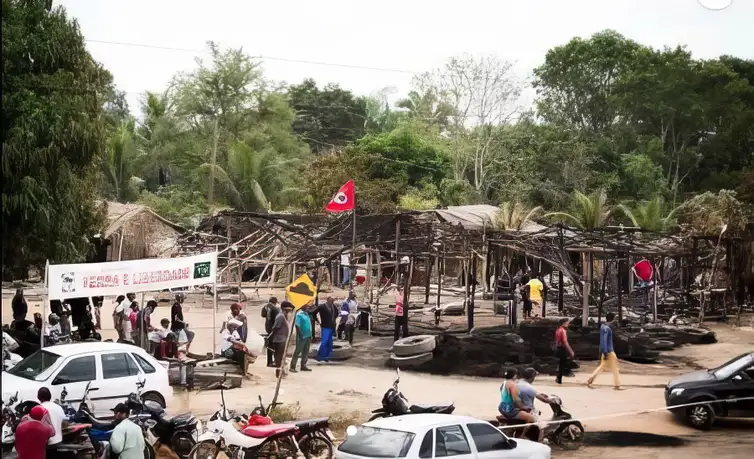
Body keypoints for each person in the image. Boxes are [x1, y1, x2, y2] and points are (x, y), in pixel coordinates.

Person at [586, 312, 623, 390]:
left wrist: (602, 351)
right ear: (612, 319)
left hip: (605, 350)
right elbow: (605, 340)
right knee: (615, 368)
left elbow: (602, 340)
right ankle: (617, 384)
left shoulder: (603, 327)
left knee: (601, 367)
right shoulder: (607, 329)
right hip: (609, 351)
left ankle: (590, 379)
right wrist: (606, 352)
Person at [516, 368, 551, 441]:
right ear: (532, 376)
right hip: (528, 411)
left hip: (515, 410)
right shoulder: (529, 387)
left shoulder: (518, 383)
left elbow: (533, 393)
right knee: (542, 426)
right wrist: (551, 400)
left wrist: (539, 394)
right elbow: (544, 400)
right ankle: (540, 442)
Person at [271, 301, 294, 377]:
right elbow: (275, 327)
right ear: (285, 309)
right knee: (279, 356)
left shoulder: (284, 316)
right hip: (279, 339)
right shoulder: (280, 316)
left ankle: (281, 370)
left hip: (282, 338)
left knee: (281, 356)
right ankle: (278, 372)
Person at [290, 305, 313, 373]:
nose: (308, 307)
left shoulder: (306, 314)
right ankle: (292, 367)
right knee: (297, 351)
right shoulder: (299, 315)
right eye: (307, 306)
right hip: (302, 336)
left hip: (308, 335)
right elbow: (297, 325)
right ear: (302, 307)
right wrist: (300, 335)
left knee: (305, 352)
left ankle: (303, 365)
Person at [315, 297, 337, 362]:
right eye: (331, 301)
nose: (332, 302)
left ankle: (326, 356)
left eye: (332, 301)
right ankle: (320, 356)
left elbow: (336, 313)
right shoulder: (322, 307)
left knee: (329, 343)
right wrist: (317, 320)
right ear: (327, 300)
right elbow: (314, 312)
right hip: (325, 326)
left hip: (331, 326)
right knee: (324, 342)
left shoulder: (333, 307)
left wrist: (334, 320)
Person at [554, 318, 575, 384]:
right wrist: (571, 351)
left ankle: (558, 378)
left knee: (561, 364)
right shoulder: (563, 331)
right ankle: (559, 379)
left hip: (558, 348)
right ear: (564, 323)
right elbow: (565, 342)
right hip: (562, 349)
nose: (568, 324)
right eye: (567, 323)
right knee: (563, 364)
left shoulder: (557, 330)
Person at [261, 297, 280, 367]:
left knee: (270, 345)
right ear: (275, 302)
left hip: (268, 328)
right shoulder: (275, 309)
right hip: (273, 329)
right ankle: (274, 361)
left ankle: (270, 361)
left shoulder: (265, 307)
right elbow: (277, 320)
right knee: (274, 345)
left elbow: (262, 315)